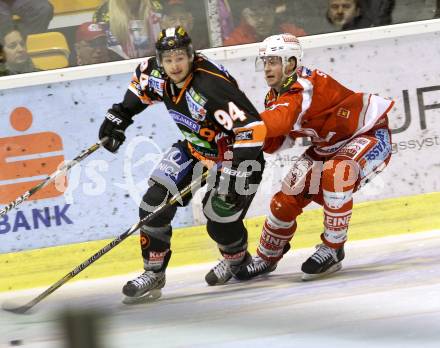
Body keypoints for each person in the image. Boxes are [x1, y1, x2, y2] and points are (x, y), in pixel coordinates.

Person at [98, 26, 267, 302]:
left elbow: (253, 129)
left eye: (180, 57)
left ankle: (237, 261)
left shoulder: (210, 85)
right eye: (168, 59)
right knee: (152, 204)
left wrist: (235, 171)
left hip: (236, 157)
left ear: (191, 55)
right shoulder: (154, 72)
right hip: (194, 149)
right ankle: (154, 273)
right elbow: (139, 90)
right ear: (160, 60)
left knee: (218, 218)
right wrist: (119, 116)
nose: (174, 65)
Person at [233, 33, 394, 281]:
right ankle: (266, 257)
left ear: (291, 63)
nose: (267, 68)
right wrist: (250, 141)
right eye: (265, 61)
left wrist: (244, 129)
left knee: (335, 174)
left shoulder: (303, 86)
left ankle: (333, 248)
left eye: (274, 61)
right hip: (327, 146)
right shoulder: (275, 94)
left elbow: (280, 121)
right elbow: (278, 139)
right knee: (284, 200)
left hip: (369, 134)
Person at [93, 0, 159, 59]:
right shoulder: (103, 12)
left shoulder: (157, 7)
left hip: (154, 62)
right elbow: (103, 48)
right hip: (121, 66)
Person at [223, 0, 306, 46]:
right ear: (245, 17)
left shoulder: (288, 31)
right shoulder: (237, 39)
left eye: (266, 14)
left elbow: (307, 44)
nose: (261, 20)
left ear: (274, 13)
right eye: (255, 15)